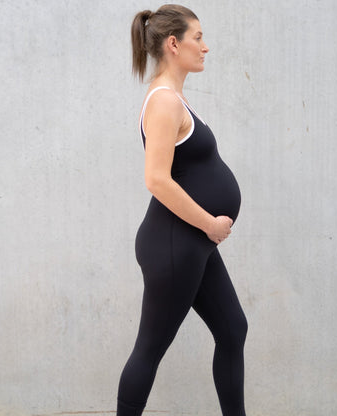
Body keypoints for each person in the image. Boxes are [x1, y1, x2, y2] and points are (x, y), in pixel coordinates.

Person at [117, 4, 248, 416]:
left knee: (232, 329)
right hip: (176, 244)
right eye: (198, 38)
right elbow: (156, 178)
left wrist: (207, 231)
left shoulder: (176, 98)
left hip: (192, 243)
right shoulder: (163, 102)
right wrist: (210, 223)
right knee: (150, 348)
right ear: (173, 44)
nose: (205, 47)